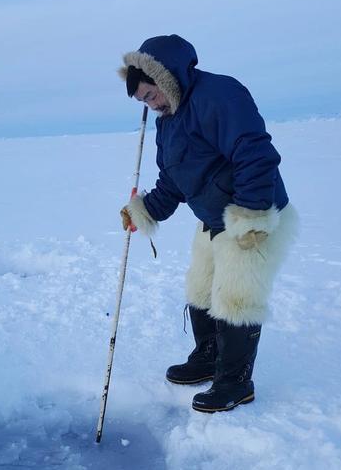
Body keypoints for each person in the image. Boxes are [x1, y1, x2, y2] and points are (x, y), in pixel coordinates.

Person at [118, 34, 298, 413]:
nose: (152, 106)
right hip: (213, 218)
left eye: (151, 96)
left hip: (254, 216)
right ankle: (208, 356)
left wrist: (252, 218)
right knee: (200, 287)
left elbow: (255, 153)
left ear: (165, 77)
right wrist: (144, 210)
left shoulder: (219, 95)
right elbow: (173, 180)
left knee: (236, 296)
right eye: (144, 103)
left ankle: (235, 382)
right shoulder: (168, 121)